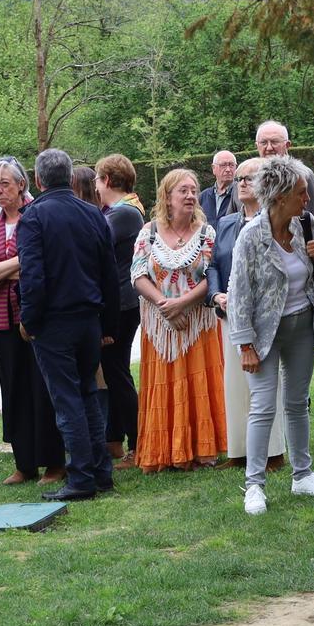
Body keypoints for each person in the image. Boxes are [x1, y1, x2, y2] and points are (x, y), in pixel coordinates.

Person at [226, 154, 314, 514]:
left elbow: (312, 273)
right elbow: (239, 293)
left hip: (302, 324)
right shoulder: (250, 236)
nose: (308, 199)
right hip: (262, 333)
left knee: (297, 402)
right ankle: (254, 485)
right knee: (262, 406)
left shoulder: (304, 224)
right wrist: (244, 344)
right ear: (280, 196)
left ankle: (302, 475)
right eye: (301, 193)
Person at [18, 148, 120, 502]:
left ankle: (81, 477)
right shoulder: (93, 214)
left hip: (54, 321)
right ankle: (100, 472)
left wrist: (29, 319)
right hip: (89, 318)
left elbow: (32, 276)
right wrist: (108, 324)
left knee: (67, 400)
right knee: (87, 393)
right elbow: (109, 273)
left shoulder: (33, 217)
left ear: (37, 180)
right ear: (71, 176)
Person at [0, 157, 62, 487]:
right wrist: (16, 264)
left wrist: (0, 266)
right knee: (13, 390)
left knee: (42, 388)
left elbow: (41, 263)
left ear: (22, 184)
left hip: (35, 315)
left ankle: (54, 462)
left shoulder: (36, 217)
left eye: (5, 184)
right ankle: (24, 463)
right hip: (1, 320)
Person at [131, 168, 225, 472]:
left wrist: (182, 304)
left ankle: (201, 450)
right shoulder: (149, 232)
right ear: (167, 196)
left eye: (193, 190)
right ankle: (165, 451)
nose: (190, 196)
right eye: (183, 190)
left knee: (198, 383)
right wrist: (165, 306)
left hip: (197, 323)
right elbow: (137, 274)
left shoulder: (207, 233)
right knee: (164, 384)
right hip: (160, 325)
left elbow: (212, 276)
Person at [210, 157, 269, 468]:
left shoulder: (274, 220)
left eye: (249, 178)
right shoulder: (226, 222)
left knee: (266, 384)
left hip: (264, 314)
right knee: (233, 384)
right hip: (229, 313)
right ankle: (237, 452)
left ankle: (272, 452)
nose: (242, 183)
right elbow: (213, 265)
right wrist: (215, 294)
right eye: (239, 179)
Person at [96, 154, 145, 464]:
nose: (96, 187)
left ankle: (138, 443)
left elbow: (93, 243)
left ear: (107, 180)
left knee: (117, 373)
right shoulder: (123, 210)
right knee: (113, 373)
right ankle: (114, 440)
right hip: (120, 302)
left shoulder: (124, 212)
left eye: (97, 180)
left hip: (122, 304)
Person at [254, 121, 314, 226]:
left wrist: (298, 235)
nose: (269, 147)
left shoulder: (302, 175)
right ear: (257, 145)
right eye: (263, 142)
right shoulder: (245, 177)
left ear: (287, 145)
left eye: (275, 142)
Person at [200, 150, 238, 222]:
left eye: (231, 165)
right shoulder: (203, 197)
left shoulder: (241, 194)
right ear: (213, 168)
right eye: (223, 165)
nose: (228, 169)